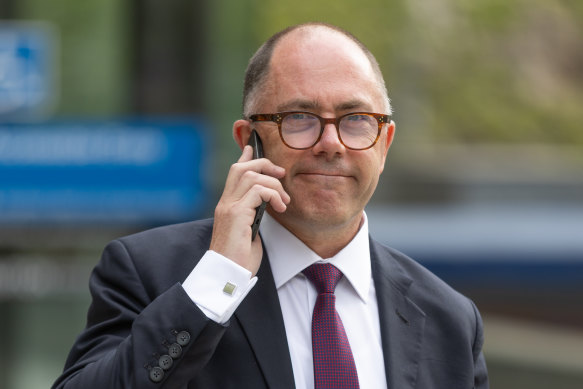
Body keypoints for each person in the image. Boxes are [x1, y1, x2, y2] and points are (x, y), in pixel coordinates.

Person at [52, 22, 489, 389]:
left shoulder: (449, 320)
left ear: (385, 143)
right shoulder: (150, 272)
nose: (331, 144)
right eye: (300, 119)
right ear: (248, 141)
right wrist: (219, 277)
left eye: (357, 120)